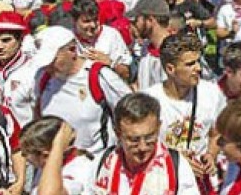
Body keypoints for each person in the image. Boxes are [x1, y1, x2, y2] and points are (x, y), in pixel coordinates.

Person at [29, 25, 131, 155]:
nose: (48, 67)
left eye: (53, 60)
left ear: (72, 50)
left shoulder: (99, 76)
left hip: (96, 164)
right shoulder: (42, 78)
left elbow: (131, 111)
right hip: (56, 166)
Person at [143, 32, 223, 182]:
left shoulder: (211, 93)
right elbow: (142, 147)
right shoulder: (150, 101)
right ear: (170, 69)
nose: (198, 68)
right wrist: (175, 161)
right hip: (163, 179)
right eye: (190, 64)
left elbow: (216, 133)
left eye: (198, 61)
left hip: (201, 182)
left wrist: (211, 155)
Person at [89, 93, 200, 194]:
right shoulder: (103, 162)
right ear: (118, 134)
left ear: (158, 127)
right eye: (134, 140)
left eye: (149, 138)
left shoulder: (177, 167)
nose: (142, 147)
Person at [20, 117, 96, 195]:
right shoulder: (44, 167)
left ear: (45, 155)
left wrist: (58, 146)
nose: (24, 157)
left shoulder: (78, 169)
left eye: (25, 153)